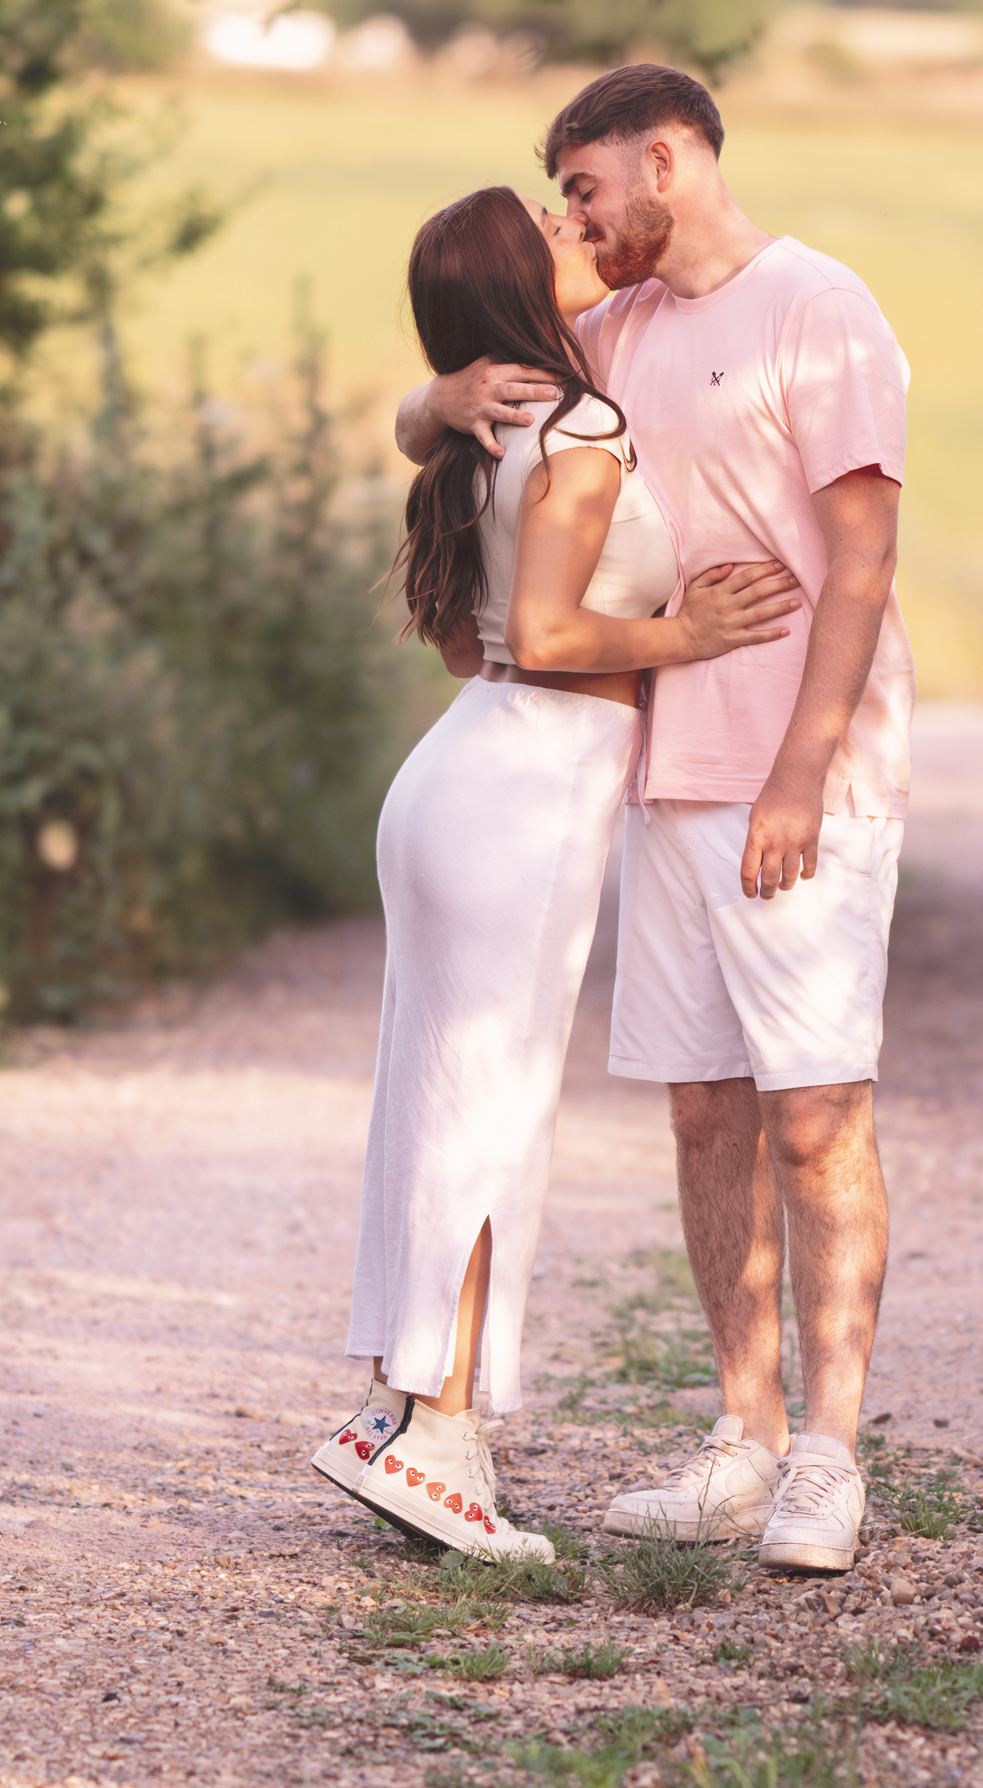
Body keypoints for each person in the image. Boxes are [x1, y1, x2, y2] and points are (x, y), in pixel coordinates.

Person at [395, 68, 912, 1573]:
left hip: (801, 782)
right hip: (655, 779)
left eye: (587, 189)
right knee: (703, 1110)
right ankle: (743, 1438)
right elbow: (452, 427)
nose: (574, 218)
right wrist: (430, 401)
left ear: (667, 161)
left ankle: (831, 1454)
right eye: (561, 199)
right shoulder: (609, 330)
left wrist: (803, 772)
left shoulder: (823, 308)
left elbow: (864, 564)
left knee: (818, 1112)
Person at [311, 183, 800, 1561]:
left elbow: (473, 646)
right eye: (556, 231)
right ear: (525, 289)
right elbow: (536, 631)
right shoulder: (578, 426)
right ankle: (450, 1446)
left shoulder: (486, 427)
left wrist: (432, 396)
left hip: (461, 770)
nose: (577, 234)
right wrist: (687, 630)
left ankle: (403, 1408)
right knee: (492, 1114)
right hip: (521, 789)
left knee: (430, 1095)